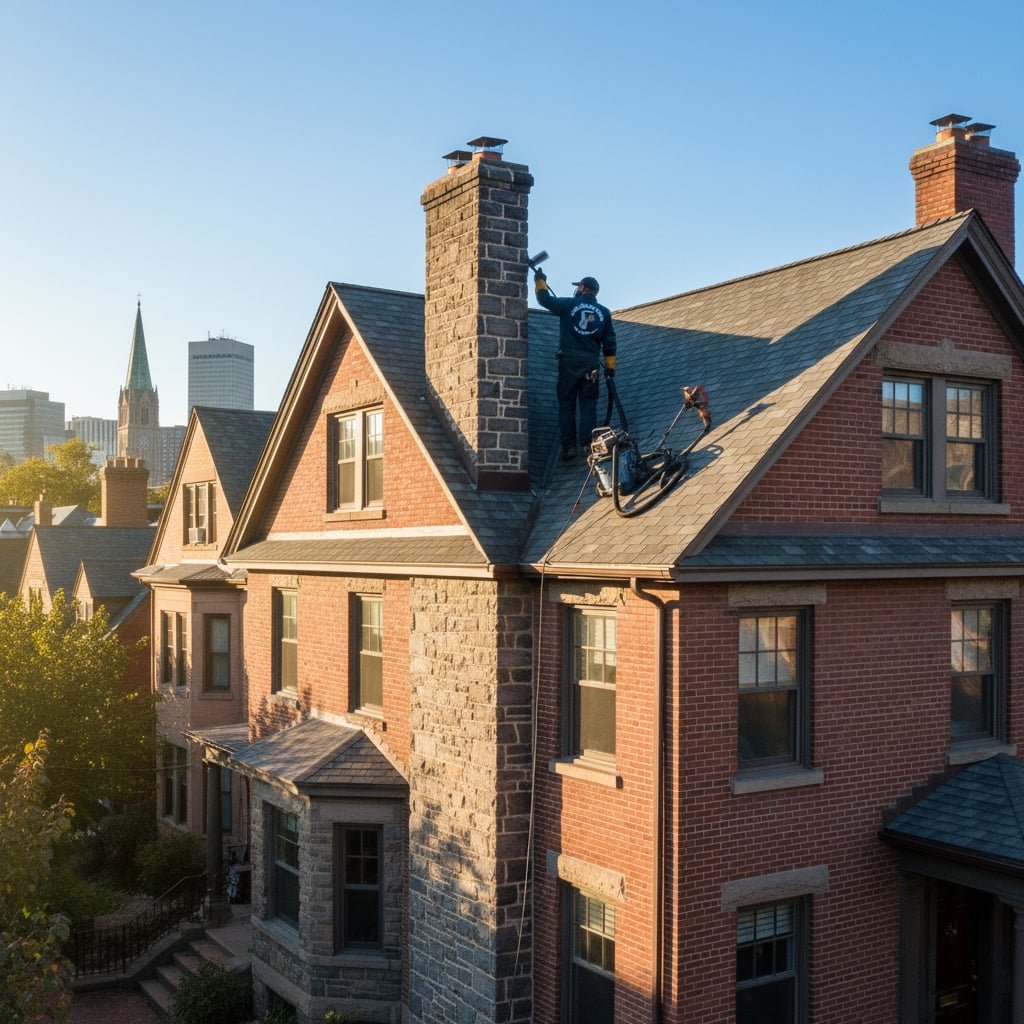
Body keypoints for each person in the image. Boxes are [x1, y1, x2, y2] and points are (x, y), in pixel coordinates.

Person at [534, 270, 617, 460]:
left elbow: (544, 300)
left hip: (568, 363)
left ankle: (568, 447)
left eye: (578, 287)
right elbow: (610, 342)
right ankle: (588, 444)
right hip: (590, 366)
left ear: (582, 288)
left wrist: (540, 281)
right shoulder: (603, 313)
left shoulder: (568, 305)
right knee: (588, 404)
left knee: (567, 404)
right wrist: (610, 368)